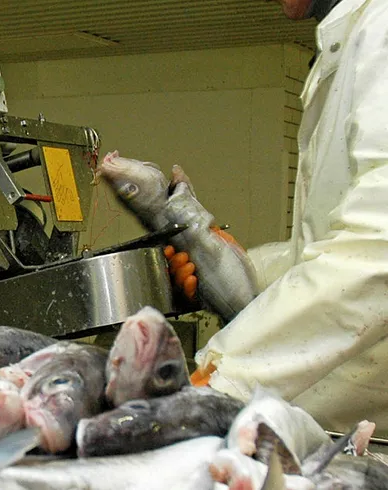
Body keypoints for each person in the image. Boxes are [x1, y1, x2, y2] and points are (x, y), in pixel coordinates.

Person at [166, 0, 388, 438]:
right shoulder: (343, 44)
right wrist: (236, 272)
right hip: (338, 430)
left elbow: (375, 253)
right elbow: (322, 249)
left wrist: (223, 375)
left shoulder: (381, 30)